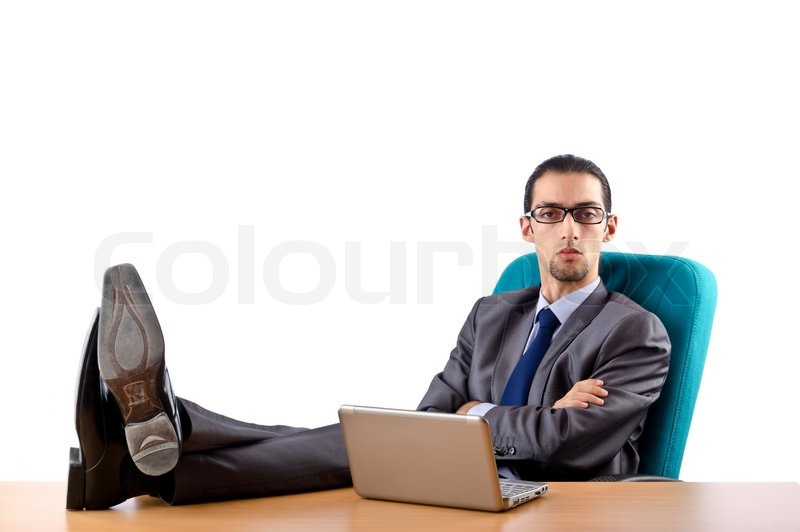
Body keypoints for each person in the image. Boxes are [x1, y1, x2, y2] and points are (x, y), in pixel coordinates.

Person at [66, 154, 670, 510]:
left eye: (585, 214)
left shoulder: (635, 332)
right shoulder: (493, 313)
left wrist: (475, 411)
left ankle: (150, 446)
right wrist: (521, 416)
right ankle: (148, 452)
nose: (569, 229)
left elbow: (572, 446)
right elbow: (434, 410)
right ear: (527, 227)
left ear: (608, 227)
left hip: (549, 501)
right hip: (463, 478)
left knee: (354, 446)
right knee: (353, 441)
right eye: (551, 214)